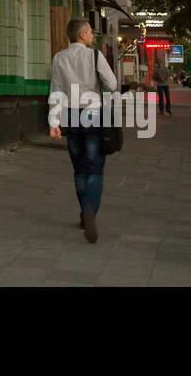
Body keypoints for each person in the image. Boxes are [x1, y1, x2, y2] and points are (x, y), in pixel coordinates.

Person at [49, 18, 118, 243]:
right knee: (95, 168)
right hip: (94, 114)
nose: (93, 36)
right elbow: (112, 84)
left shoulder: (59, 57)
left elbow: (56, 90)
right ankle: (89, 209)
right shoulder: (94, 56)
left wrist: (54, 122)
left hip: (70, 116)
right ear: (81, 35)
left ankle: (83, 212)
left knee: (79, 168)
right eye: (90, 32)